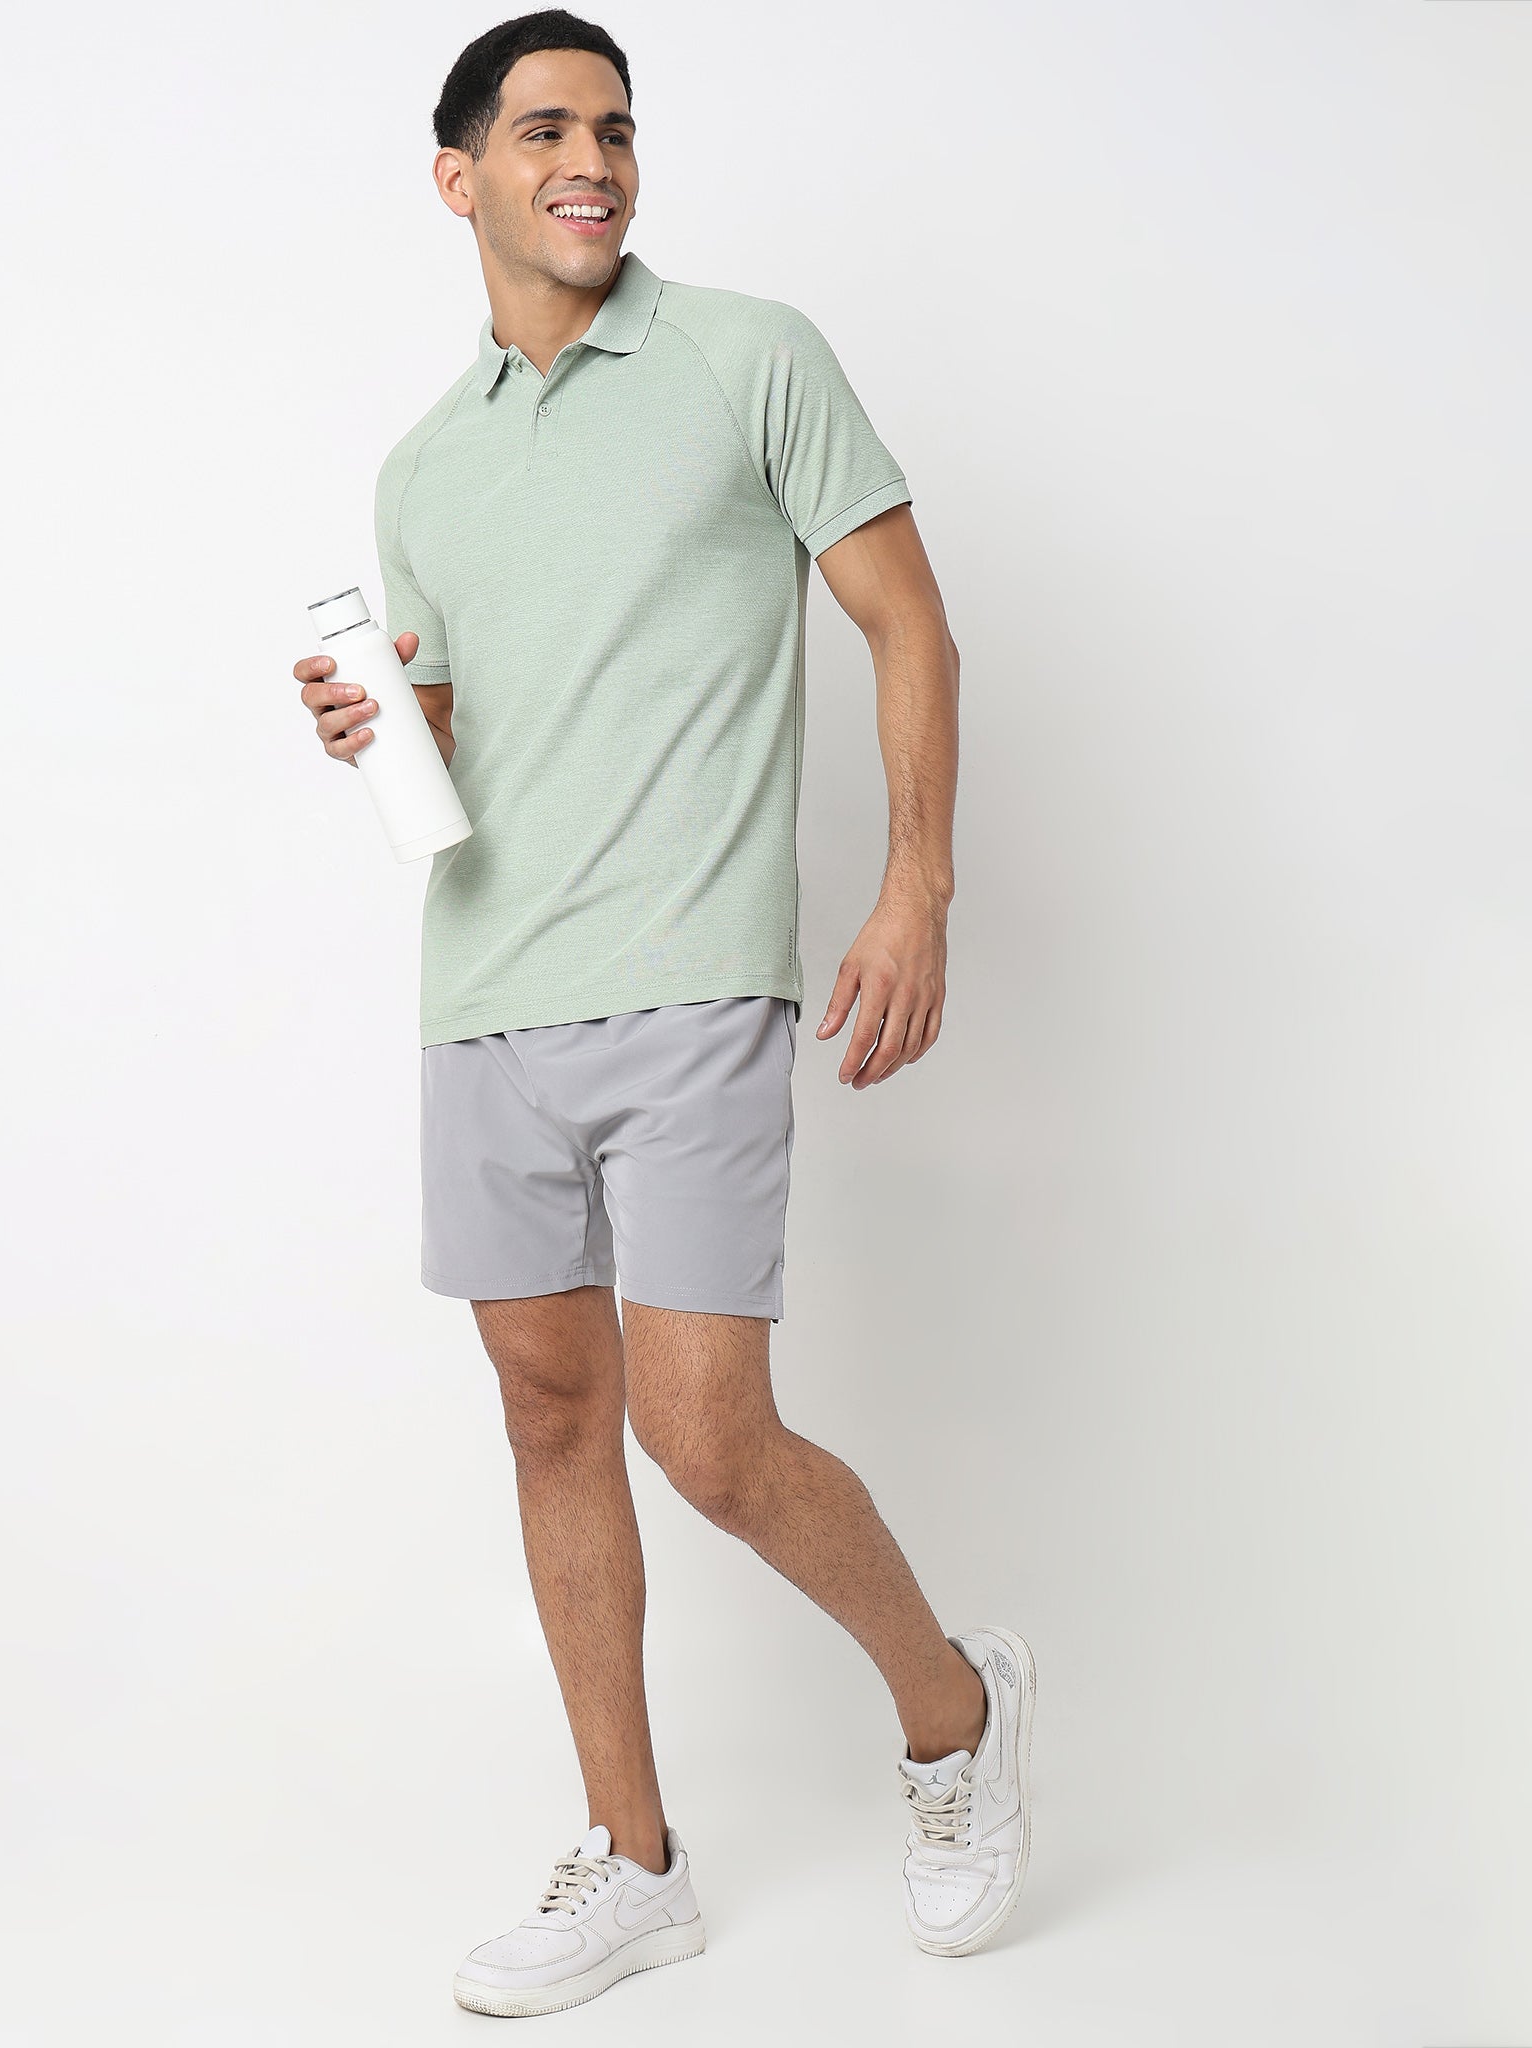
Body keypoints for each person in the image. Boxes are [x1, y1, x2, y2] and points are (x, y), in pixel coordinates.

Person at [294, 9, 1035, 2018]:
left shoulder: (746, 356)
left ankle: (957, 1716)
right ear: (456, 176)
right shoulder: (423, 467)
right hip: (483, 988)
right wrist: (378, 732)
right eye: (545, 128)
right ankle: (635, 1865)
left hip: (696, 975)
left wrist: (917, 880)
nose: (592, 159)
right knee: (551, 1418)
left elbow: (904, 615)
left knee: (707, 1438)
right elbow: (468, 743)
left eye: (614, 128)